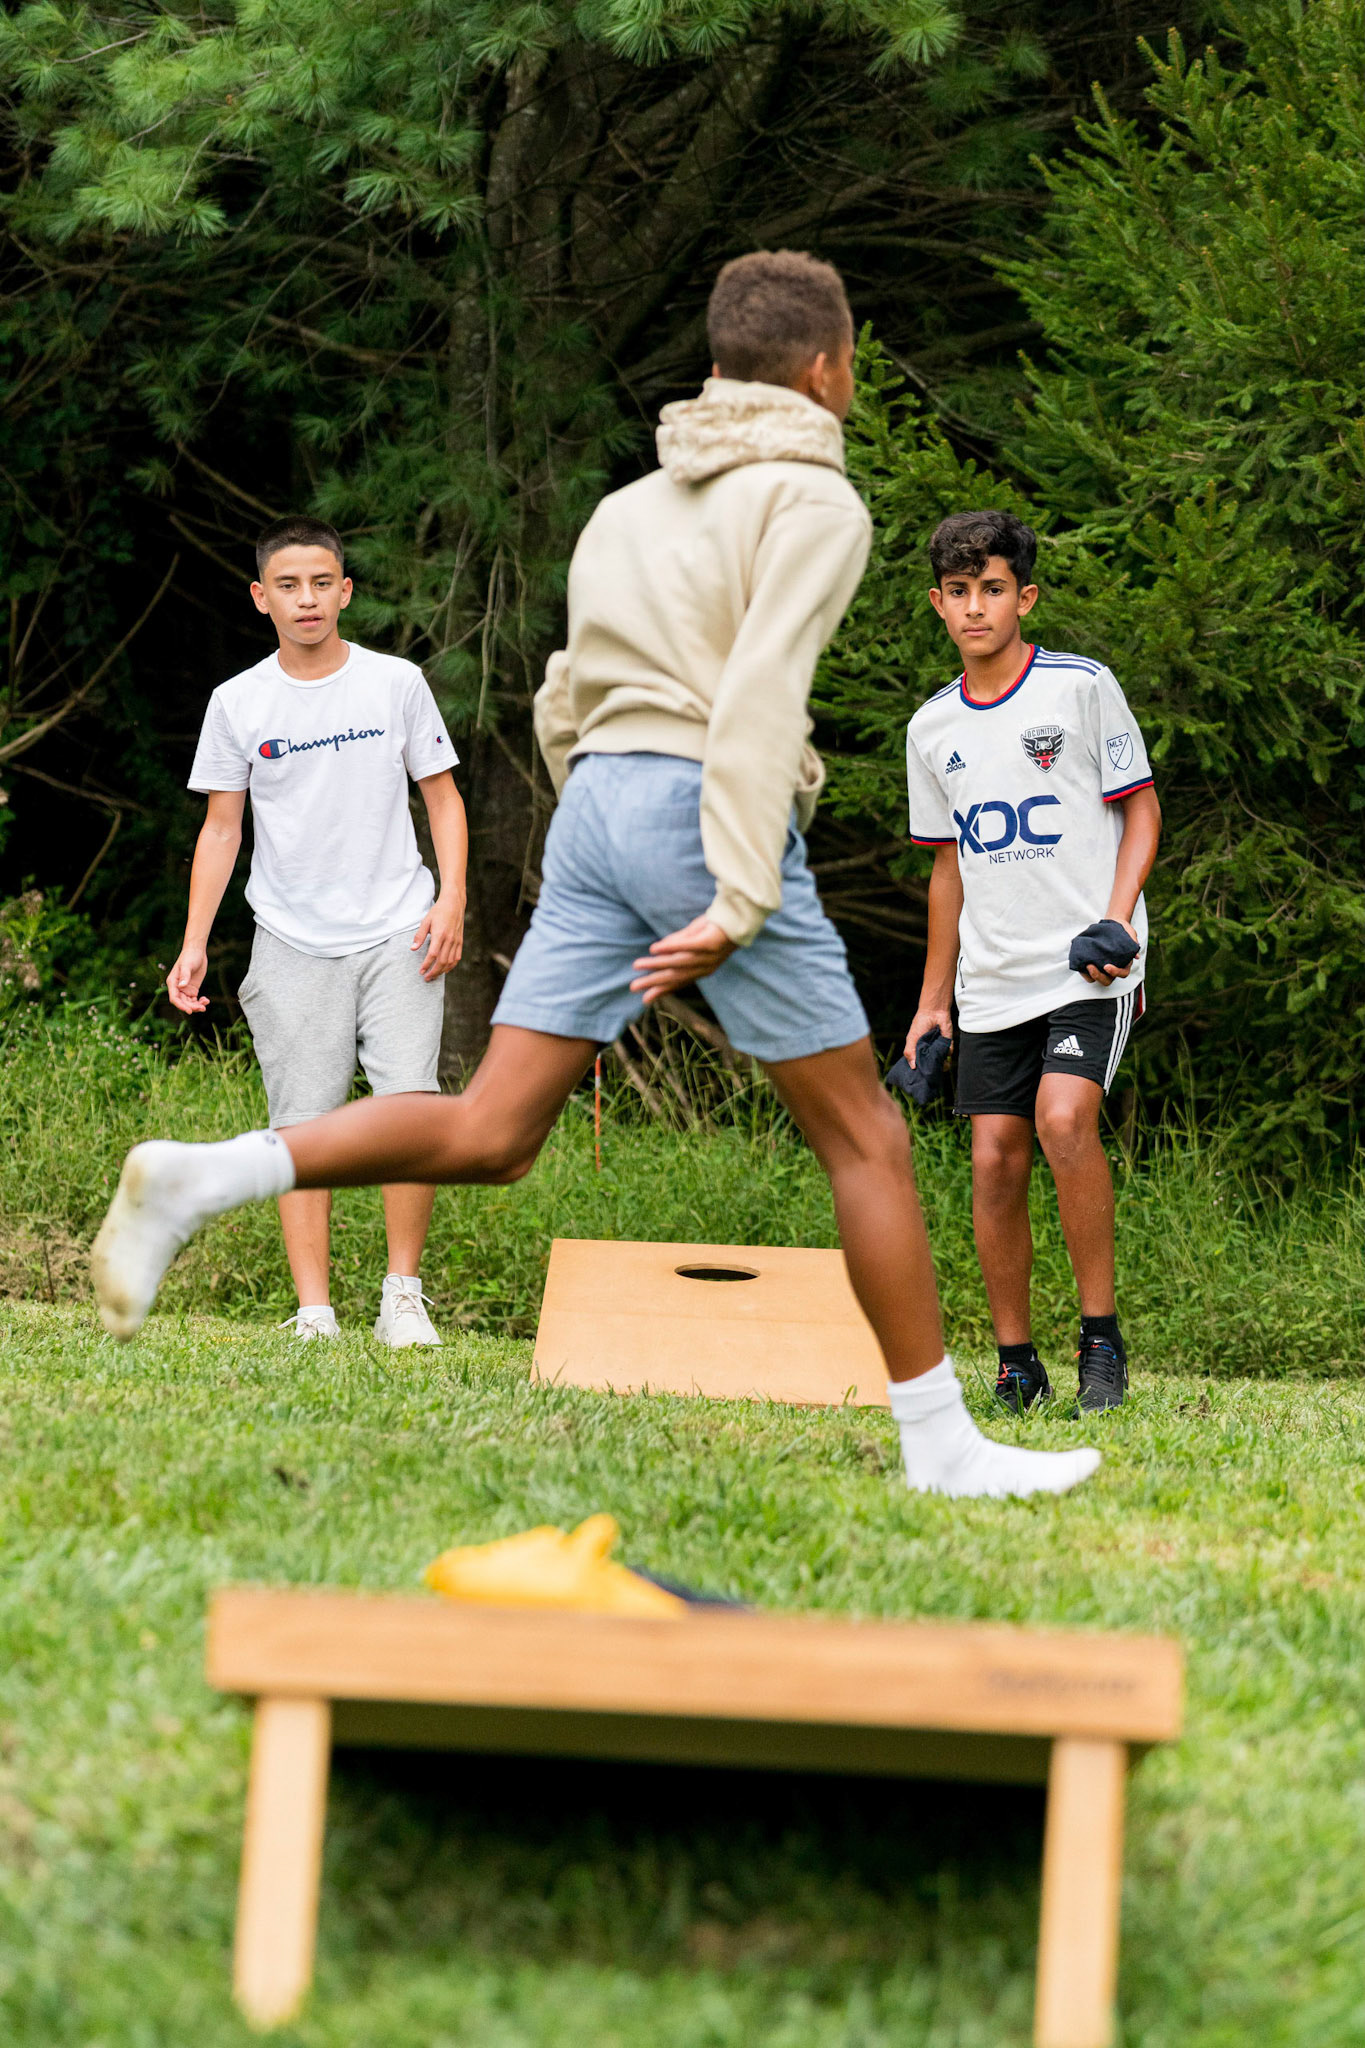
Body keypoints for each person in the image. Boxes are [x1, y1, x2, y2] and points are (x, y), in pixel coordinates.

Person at [94, 252, 1100, 1500]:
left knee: (491, 1129)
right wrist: (734, 891)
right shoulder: (815, 504)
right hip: (703, 801)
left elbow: (564, 697)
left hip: (600, 805)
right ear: (830, 371)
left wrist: (606, 847)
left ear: (717, 368)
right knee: (867, 1136)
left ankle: (208, 1171)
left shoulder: (629, 507)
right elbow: (756, 703)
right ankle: (945, 1448)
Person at [167, 515, 468, 1346]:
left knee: (410, 1109)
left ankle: (402, 1297)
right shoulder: (237, 701)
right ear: (262, 598)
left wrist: (451, 902)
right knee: (303, 1125)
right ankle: (314, 1312)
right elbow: (222, 830)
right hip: (291, 938)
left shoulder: (395, 683)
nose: (308, 599)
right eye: (289, 586)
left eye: (322, 583)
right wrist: (195, 942)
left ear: (345, 591)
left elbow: (442, 799)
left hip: (402, 928)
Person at [903, 509, 1162, 1414]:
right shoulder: (931, 727)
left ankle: (1100, 1342)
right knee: (992, 1160)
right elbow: (948, 868)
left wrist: (1116, 920)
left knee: (1061, 1120)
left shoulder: (1080, 688)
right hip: (991, 979)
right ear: (938, 604)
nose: (977, 607)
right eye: (960, 592)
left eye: (994, 589)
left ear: (1025, 596)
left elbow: (1140, 810)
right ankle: (1016, 1360)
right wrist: (933, 1003)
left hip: (1089, 967)